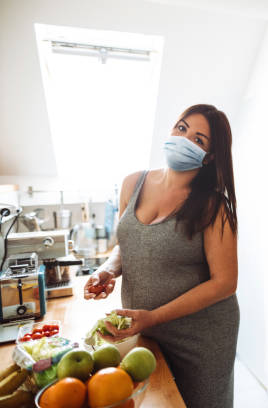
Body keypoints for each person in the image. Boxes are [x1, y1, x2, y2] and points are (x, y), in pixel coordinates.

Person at [84, 104, 239, 408]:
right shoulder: (133, 183)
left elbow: (225, 283)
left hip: (200, 338)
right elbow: (127, 243)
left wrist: (152, 316)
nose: (183, 139)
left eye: (198, 139)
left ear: (209, 157)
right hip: (145, 328)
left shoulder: (213, 206)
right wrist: (107, 270)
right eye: (181, 128)